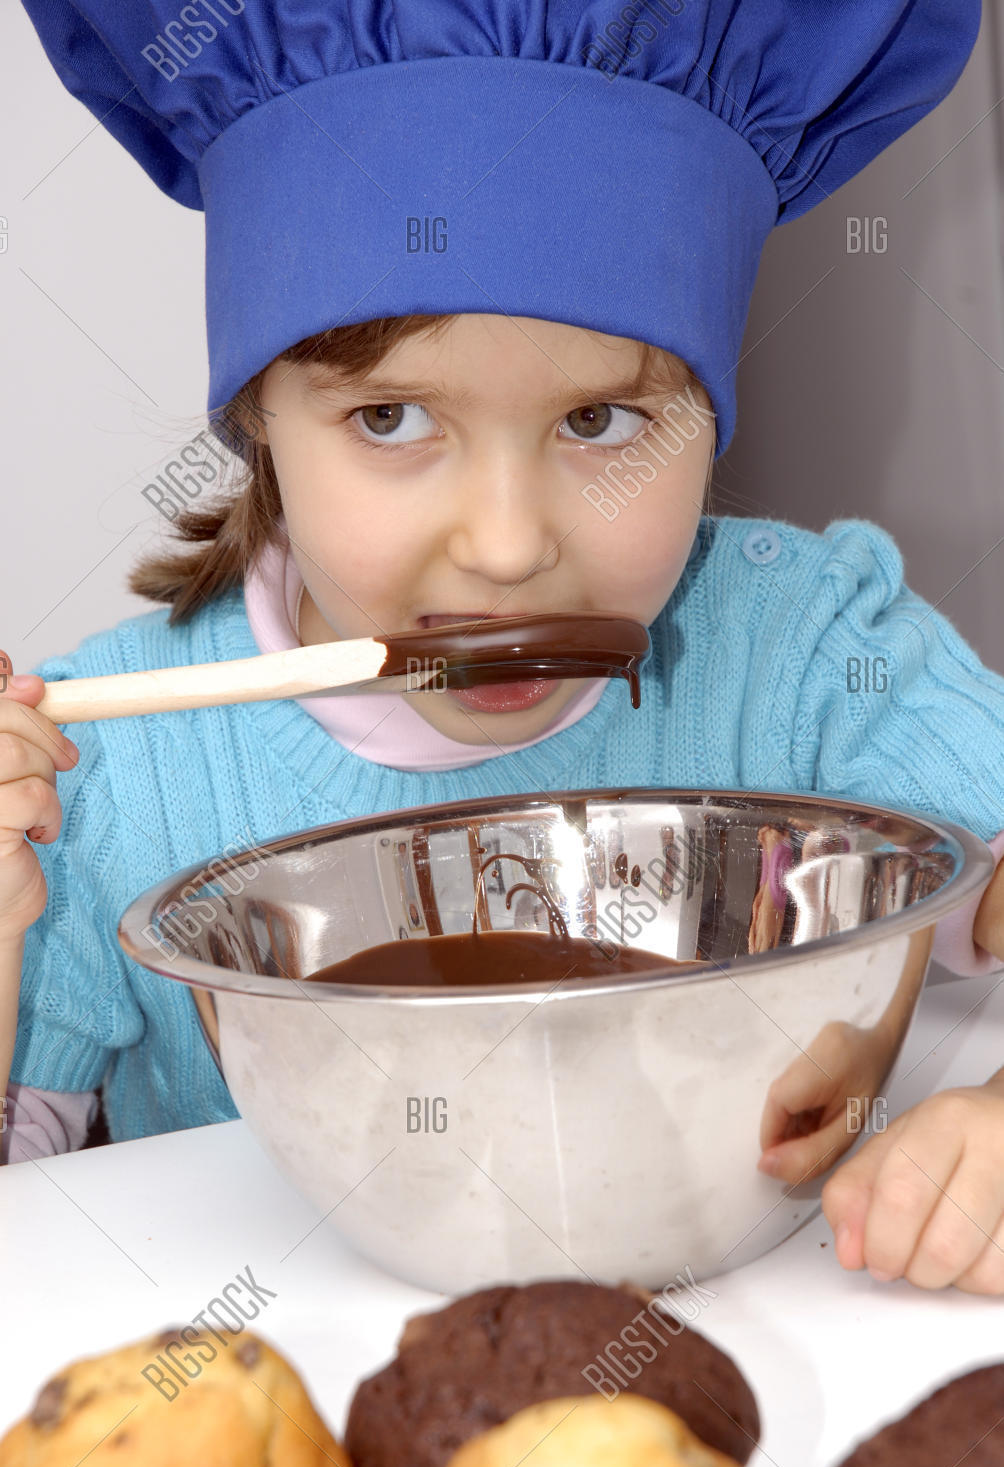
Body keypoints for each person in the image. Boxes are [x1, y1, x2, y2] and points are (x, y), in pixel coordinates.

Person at [4, 0, 1003, 1296]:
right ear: (259, 412)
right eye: (392, 416)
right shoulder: (104, 770)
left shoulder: (810, 657)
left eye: (598, 419)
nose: (507, 542)